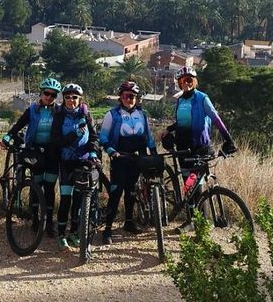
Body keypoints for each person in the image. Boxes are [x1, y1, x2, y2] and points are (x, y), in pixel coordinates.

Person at [160, 66, 237, 231]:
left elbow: (215, 118)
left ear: (194, 81)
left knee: (196, 183)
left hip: (199, 147)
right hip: (183, 146)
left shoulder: (202, 98)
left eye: (189, 80)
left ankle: (199, 220)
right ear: (179, 83)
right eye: (182, 81)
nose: (186, 83)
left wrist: (228, 140)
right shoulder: (180, 100)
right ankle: (192, 221)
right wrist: (169, 129)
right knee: (189, 184)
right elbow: (182, 122)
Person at [0, 77, 63, 237]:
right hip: (35, 151)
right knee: (37, 184)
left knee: (49, 188)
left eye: (53, 95)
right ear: (41, 93)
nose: (49, 97)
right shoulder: (32, 110)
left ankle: (49, 222)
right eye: (46, 93)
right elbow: (18, 125)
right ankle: (35, 218)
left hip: (52, 152)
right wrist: (7, 137)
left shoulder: (59, 112)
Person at [98, 80, 156, 245]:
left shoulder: (142, 115)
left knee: (131, 191)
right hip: (119, 158)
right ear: (120, 97)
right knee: (116, 193)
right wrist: (111, 151)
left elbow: (149, 137)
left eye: (132, 96)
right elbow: (103, 137)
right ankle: (107, 229)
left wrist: (153, 153)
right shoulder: (112, 114)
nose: (128, 99)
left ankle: (129, 222)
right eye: (125, 96)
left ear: (137, 98)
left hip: (136, 158)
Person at [51, 83, 99, 250]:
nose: (71, 100)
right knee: (65, 199)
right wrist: (74, 135)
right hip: (65, 162)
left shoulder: (85, 114)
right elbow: (55, 140)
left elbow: (93, 136)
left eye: (75, 97)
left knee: (79, 200)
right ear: (63, 99)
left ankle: (74, 232)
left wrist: (93, 152)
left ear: (80, 99)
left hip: (83, 161)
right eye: (68, 97)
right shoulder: (59, 115)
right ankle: (61, 234)